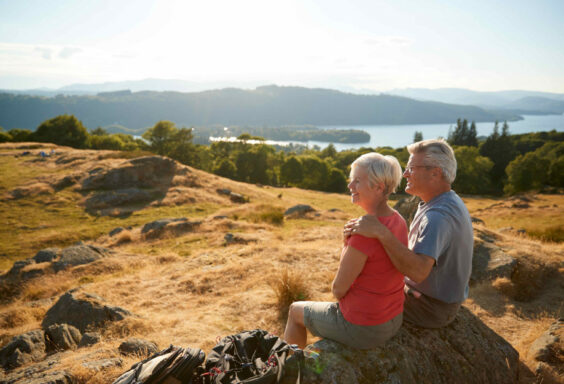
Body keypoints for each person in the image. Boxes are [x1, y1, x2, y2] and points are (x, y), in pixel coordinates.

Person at [345, 139, 473, 328]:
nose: (405, 174)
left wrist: (382, 233)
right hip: (432, 299)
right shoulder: (446, 200)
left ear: (435, 173)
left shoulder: (438, 216)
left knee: (360, 297)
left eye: (412, 168)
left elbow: (418, 272)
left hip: (429, 308)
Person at [284, 153, 408, 349]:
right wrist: (348, 241)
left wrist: (348, 243)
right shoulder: (397, 219)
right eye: (352, 180)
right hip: (393, 318)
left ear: (379, 187)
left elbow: (338, 290)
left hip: (364, 328)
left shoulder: (363, 233)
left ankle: (290, 370)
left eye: (357, 181)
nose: (350, 186)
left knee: (294, 310)